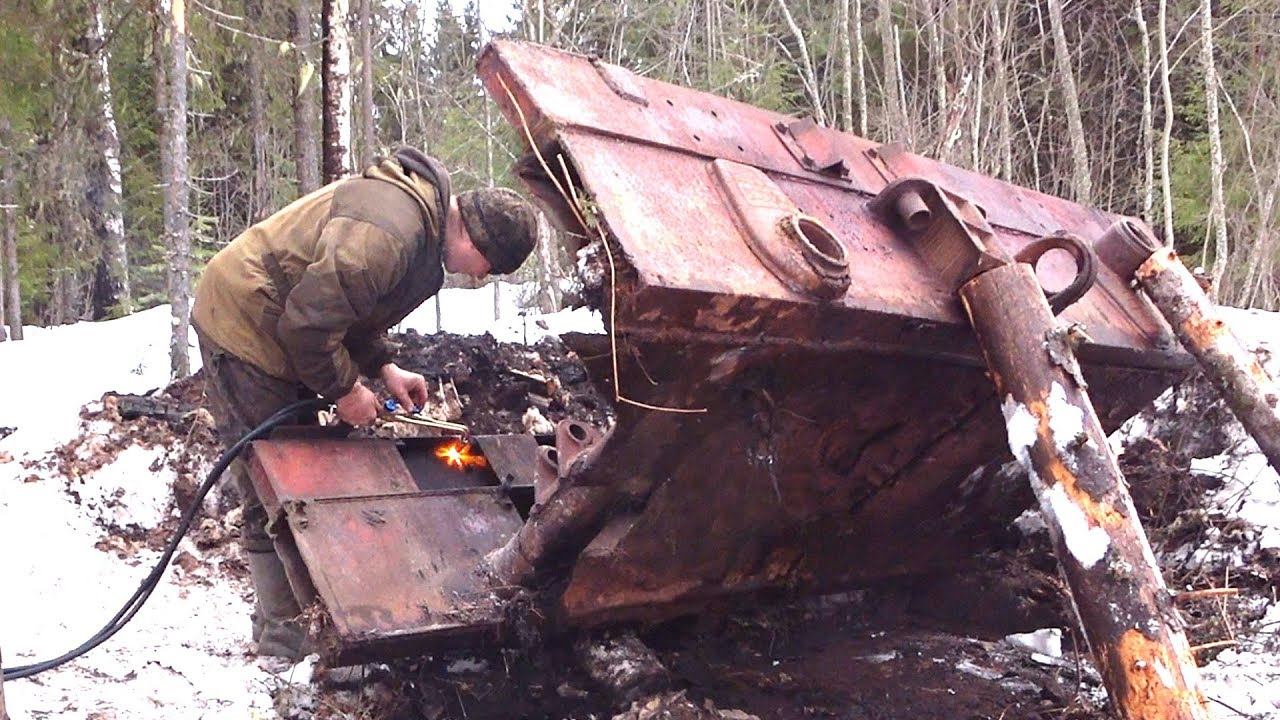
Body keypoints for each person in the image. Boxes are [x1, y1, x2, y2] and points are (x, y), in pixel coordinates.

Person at [190, 147, 539, 658]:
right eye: (486, 268)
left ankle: (283, 629)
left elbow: (348, 310)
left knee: (293, 472)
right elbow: (309, 326)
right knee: (283, 482)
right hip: (247, 325)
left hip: (280, 324)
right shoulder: (389, 233)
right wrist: (346, 391)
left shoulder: (420, 231)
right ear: (472, 236)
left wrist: (382, 367)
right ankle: (287, 643)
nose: (478, 278)